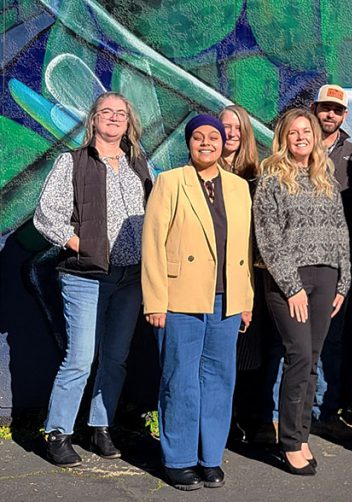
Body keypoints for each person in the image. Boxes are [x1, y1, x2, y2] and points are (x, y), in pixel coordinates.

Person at [34, 92, 153, 468]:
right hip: (86, 277)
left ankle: (100, 426)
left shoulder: (139, 164)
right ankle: (58, 433)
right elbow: (46, 214)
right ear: (93, 119)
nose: (114, 118)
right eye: (107, 112)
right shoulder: (73, 162)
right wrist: (80, 245)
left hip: (131, 277)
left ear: (129, 123)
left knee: (116, 358)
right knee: (81, 358)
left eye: (121, 113)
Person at [142, 114, 254, 490]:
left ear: (223, 144)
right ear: (188, 143)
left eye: (214, 137)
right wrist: (155, 300)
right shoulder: (170, 181)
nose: (206, 143)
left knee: (220, 378)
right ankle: (179, 459)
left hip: (227, 299)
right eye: (198, 137)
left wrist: (246, 299)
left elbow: (244, 248)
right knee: (180, 377)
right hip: (180, 297)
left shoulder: (238, 187)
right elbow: (153, 244)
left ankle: (210, 457)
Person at [254, 108, 349, 475]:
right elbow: (268, 239)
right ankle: (290, 442)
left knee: (311, 358)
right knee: (297, 355)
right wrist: (291, 287)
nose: (300, 137)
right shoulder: (272, 180)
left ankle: (302, 434)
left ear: (314, 136)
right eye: (293, 132)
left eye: (306, 131)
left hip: (326, 277)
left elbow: (340, 231)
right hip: (287, 281)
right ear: (284, 138)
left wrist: (343, 282)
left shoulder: (325, 178)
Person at [309, 84, 352, 437]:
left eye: (337, 110)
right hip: (300, 257)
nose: (330, 115)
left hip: (337, 260)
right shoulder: (297, 145)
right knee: (291, 340)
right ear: (314, 109)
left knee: (331, 340)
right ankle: (282, 415)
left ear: (345, 115)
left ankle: (325, 413)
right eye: (325, 108)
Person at [219, 105, 271, 444]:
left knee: (250, 347)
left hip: (251, 272)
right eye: (226, 126)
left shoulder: (257, 176)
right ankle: (222, 421)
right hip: (215, 272)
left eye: (238, 127)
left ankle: (250, 418)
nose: (231, 133)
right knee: (221, 350)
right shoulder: (201, 172)